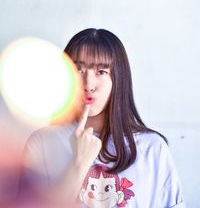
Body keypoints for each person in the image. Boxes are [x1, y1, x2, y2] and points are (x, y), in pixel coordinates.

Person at [19, 28, 186, 208]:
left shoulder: (152, 149)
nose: (89, 85)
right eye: (78, 69)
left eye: (101, 71)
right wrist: (79, 163)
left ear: (118, 78)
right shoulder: (42, 143)